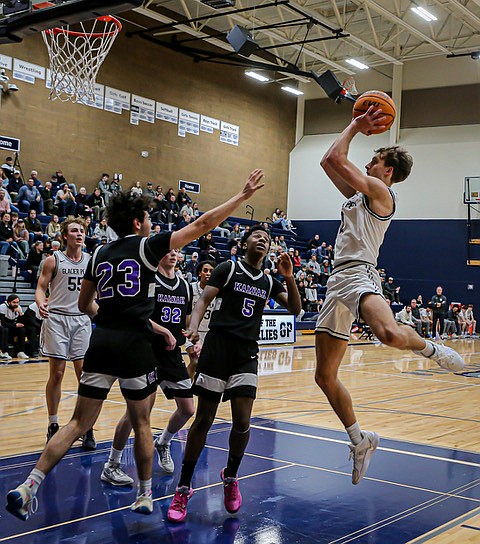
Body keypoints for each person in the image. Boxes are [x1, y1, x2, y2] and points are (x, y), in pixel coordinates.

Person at [6, 169, 265, 521]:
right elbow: (203, 224)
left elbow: (85, 306)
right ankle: (144, 496)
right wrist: (241, 197)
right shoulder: (147, 246)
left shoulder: (97, 254)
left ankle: (29, 486)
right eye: (146, 217)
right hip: (135, 345)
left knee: (77, 422)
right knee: (141, 421)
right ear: (138, 221)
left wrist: (110, 317)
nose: (149, 222)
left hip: (101, 341)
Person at [313, 108, 464, 489]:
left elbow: (336, 157)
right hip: (337, 280)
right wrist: (357, 129)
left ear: (388, 171)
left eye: (375, 159)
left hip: (359, 270)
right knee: (324, 376)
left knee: (390, 335)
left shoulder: (381, 192)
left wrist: (356, 125)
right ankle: (360, 440)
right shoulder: (358, 194)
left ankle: (431, 347)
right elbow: (326, 160)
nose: (367, 161)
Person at [167, 225, 301, 523]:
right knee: (204, 419)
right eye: (257, 236)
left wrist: (289, 277)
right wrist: (194, 325)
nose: (263, 240)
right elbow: (203, 299)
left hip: (245, 353)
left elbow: (294, 307)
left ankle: (230, 476)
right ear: (243, 244)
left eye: (267, 238)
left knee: (242, 421)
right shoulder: (228, 268)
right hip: (217, 347)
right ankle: (184, 486)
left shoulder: (268, 281)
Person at [101, 248, 195, 486]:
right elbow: (138, 316)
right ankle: (112, 464)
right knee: (136, 414)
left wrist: (192, 339)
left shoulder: (184, 285)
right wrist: (163, 331)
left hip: (172, 354)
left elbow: (184, 320)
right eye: (169, 250)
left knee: (187, 408)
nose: (173, 254)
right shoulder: (149, 279)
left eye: (176, 251)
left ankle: (163, 442)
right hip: (146, 351)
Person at [36, 217, 96, 448]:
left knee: (84, 375)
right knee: (58, 373)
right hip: (57, 319)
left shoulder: (90, 261)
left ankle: (86, 425)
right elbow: (41, 287)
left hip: (81, 319)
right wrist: (41, 302)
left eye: (81, 230)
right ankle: (53, 423)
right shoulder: (53, 260)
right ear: (64, 236)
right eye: (74, 230)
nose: (79, 234)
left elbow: (97, 292)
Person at [185, 259, 217, 379]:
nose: (208, 273)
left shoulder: (217, 292)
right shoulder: (190, 289)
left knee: (207, 366)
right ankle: (186, 389)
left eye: (211, 271)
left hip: (209, 334)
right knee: (195, 362)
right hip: (192, 332)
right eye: (205, 270)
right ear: (199, 273)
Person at [0, 294, 29, 359]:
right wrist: (15, 325)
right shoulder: (2, 307)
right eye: (14, 302)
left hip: (12, 327)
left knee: (22, 329)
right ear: (9, 302)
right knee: (5, 329)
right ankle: (5, 352)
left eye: (17, 302)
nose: (16, 304)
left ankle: (20, 352)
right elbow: (3, 323)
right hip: (4, 327)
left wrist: (20, 314)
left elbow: (21, 323)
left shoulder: (18, 307)